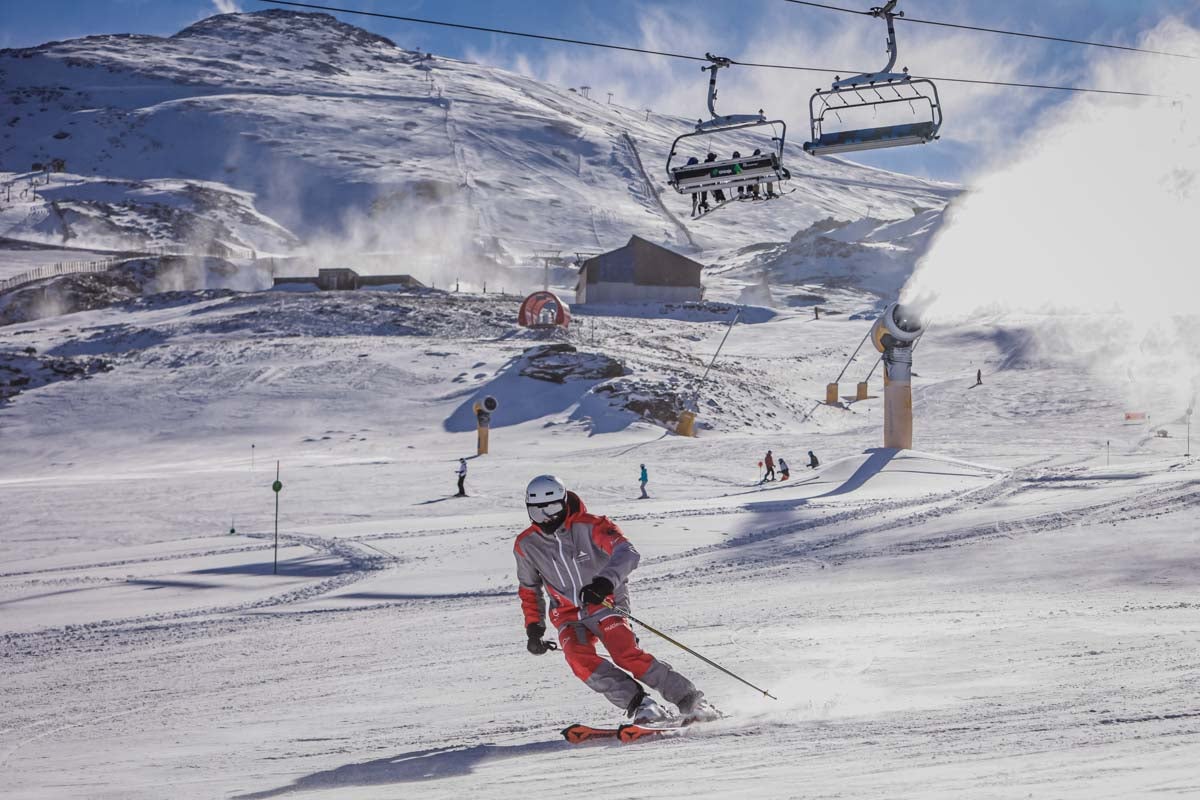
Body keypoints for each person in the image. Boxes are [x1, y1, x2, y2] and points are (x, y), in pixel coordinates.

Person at [515, 475, 717, 723]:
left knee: (624, 653)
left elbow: (627, 552)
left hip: (606, 603)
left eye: (553, 508)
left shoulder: (592, 526)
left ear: (565, 502)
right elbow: (529, 588)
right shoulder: (526, 544)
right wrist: (534, 628)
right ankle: (642, 706)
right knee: (578, 659)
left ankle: (692, 701)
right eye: (538, 513)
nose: (547, 518)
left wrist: (605, 582)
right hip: (568, 615)